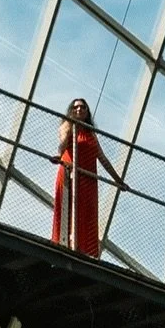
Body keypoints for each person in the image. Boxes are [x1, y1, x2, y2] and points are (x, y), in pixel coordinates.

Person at [51, 97, 123, 258]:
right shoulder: (68, 124)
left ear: (87, 111)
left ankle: (85, 251)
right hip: (70, 174)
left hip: (88, 180)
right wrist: (59, 154)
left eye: (82, 107)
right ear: (71, 110)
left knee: (87, 213)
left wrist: (118, 181)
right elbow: (63, 141)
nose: (79, 110)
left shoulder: (90, 134)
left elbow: (102, 158)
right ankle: (67, 244)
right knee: (69, 208)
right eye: (75, 107)